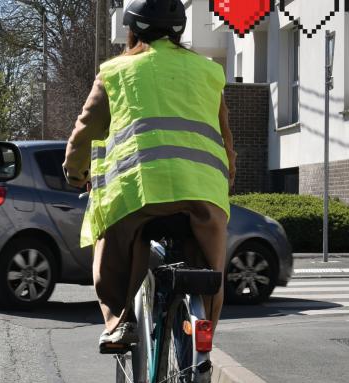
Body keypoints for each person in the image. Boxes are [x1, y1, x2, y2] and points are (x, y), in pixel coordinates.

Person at [63, 0, 236, 351]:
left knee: (109, 255)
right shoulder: (208, 71)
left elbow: (86, 130)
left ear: (133, 30)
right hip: (204, 195)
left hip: (137, 193)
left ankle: (119, 323)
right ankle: (199, 348)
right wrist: (227, 177)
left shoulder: (115, 72)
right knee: (207, 272)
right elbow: (225, 138)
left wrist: (75, 171)